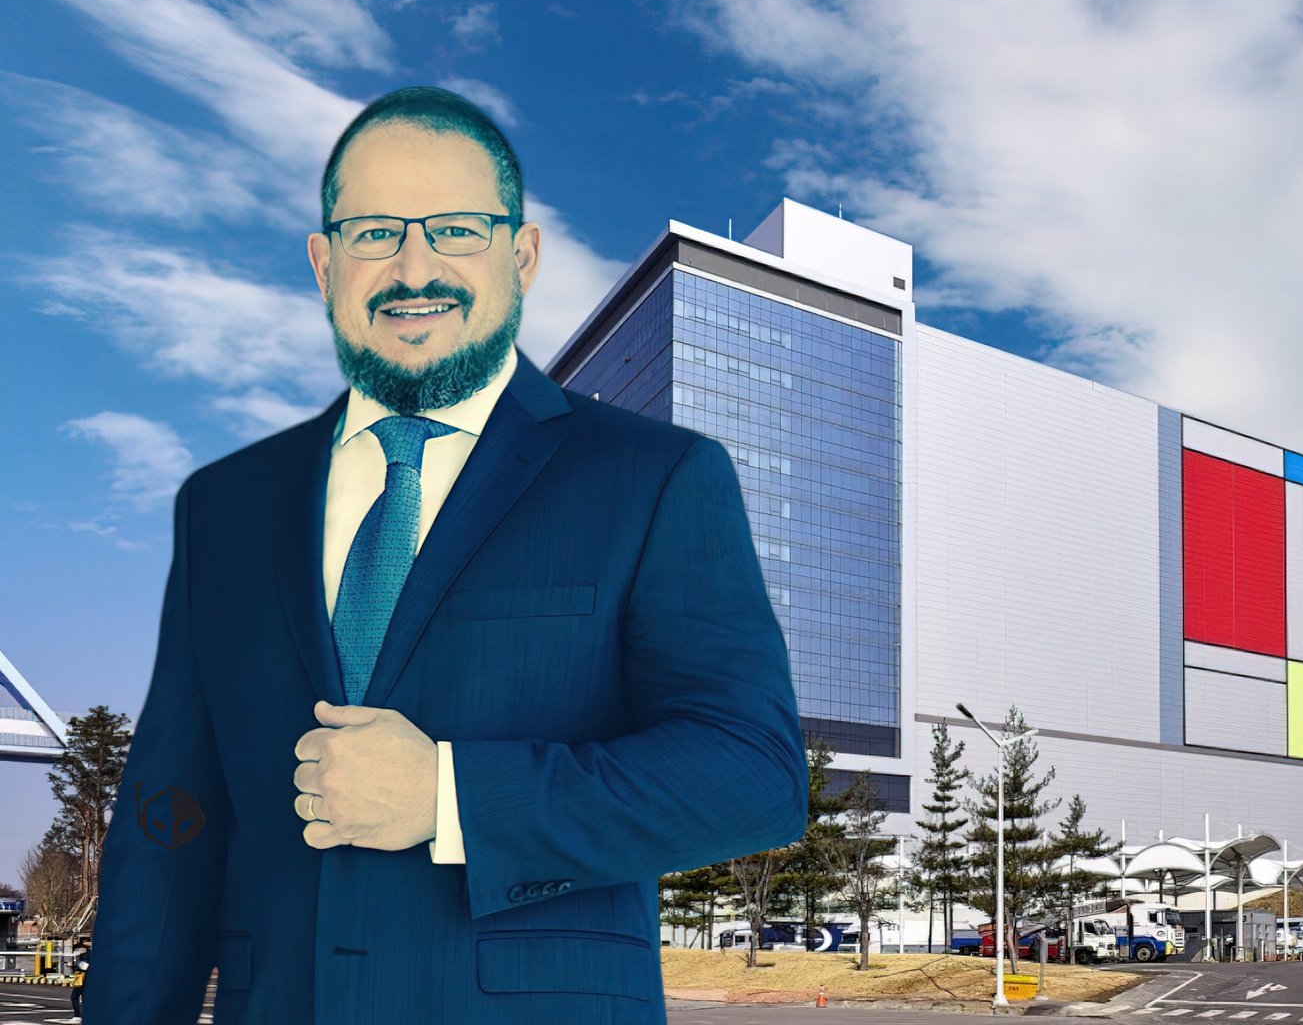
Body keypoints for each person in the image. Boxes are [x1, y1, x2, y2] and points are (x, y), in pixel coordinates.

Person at [85, 86, 809, 1024]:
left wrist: (450, 795)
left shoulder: (656, 478)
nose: (414, 267)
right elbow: (169, 830)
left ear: (523, 255)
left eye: (458, 230)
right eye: (376, 232)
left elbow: (752, 775)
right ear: (324, 263)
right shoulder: (222, 507)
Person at [70, 937, 88, 1019]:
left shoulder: (85, 956)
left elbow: (84, 966)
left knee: (74, 997)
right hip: (83, 979)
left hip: (83, 979)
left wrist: (74, 966)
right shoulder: (85, 955)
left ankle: (77, 1014)